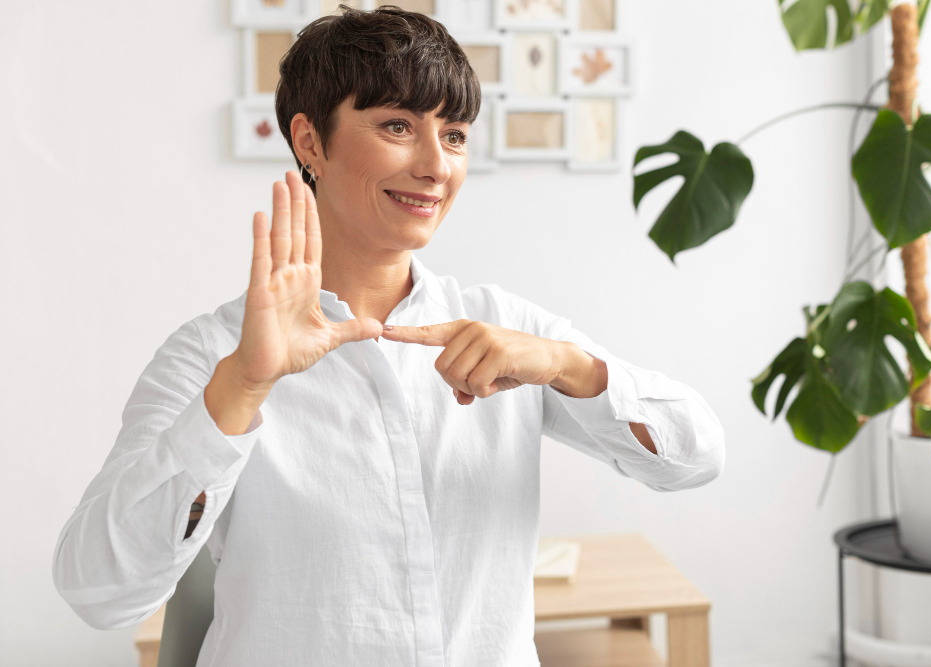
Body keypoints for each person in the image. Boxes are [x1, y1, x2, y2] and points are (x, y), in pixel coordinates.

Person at [52, 5, 725, 666]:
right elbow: (97, 591)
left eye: (455, 134)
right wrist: (241, 387)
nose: (436, 165)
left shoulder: (504, 330)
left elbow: (696, 454)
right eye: (398, 126)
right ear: (311, 141)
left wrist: (567, 365)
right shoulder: (213, 353)